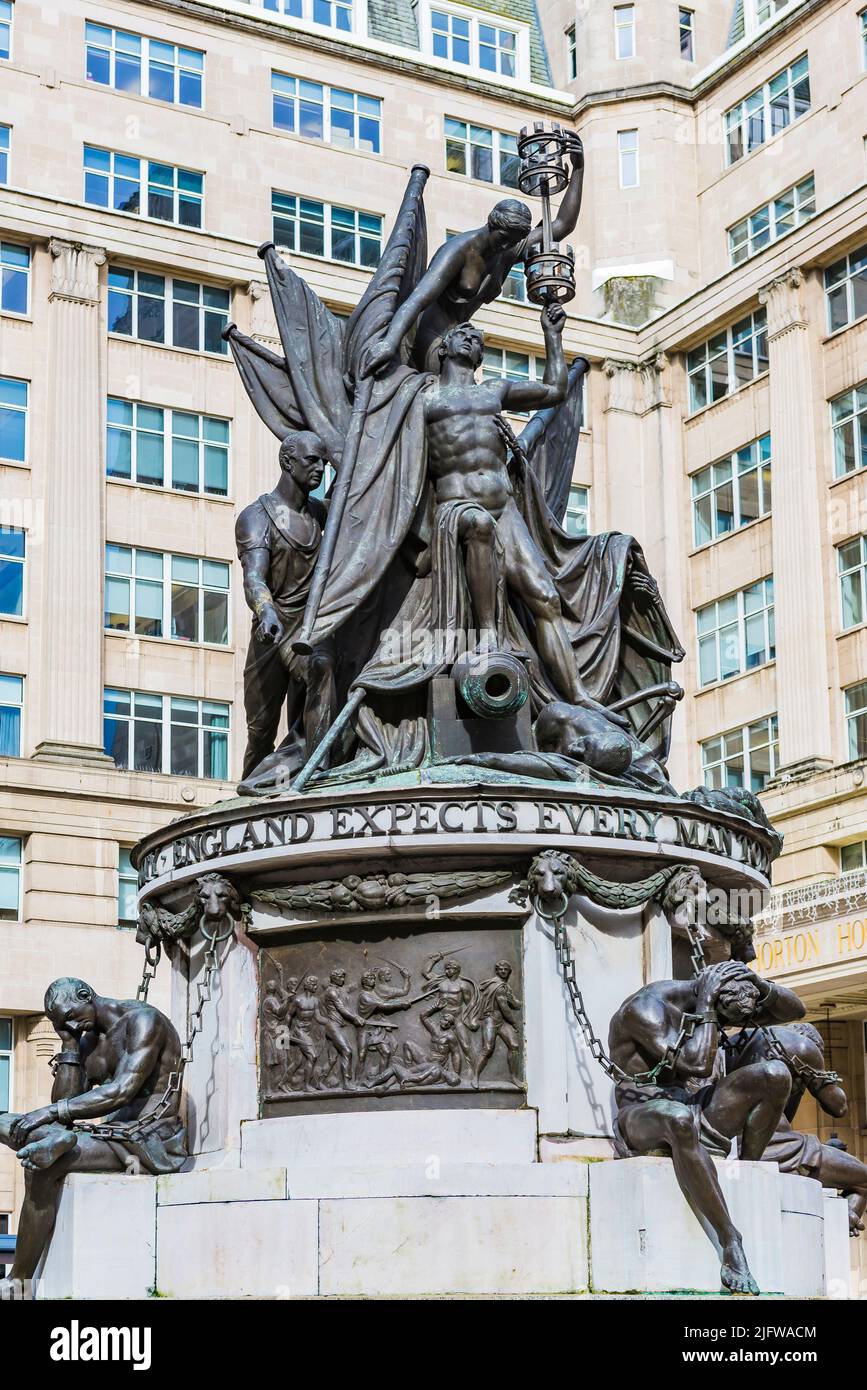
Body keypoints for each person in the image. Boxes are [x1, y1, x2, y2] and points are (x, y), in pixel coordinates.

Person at [420, 307, 625, 722]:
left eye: (478, 337)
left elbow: (554, 391)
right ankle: (489, 636)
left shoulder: (493, 390)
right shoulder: (423, 398)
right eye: (463, 333)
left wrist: (552, 335)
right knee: (477, 526)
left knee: (545, 597)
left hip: (505, 507)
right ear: (442, 348)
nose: (472, 339)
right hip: (455, 508)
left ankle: (578, 696)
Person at [608, 960, 805, 1295]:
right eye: (727, 1021)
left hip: (691, 1103)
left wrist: (758, 983)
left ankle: (748, 1170)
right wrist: (707, 1007)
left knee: (775, 1074)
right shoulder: (646, 1009)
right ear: (712, 998)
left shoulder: (716, 1000)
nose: (728, 1029)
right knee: (678, 1118)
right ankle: (730, 1240)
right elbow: (697, 1065)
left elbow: (796, 1010)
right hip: (641, 1111)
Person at [0, 978, 185, 1297]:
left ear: (86, 995)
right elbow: (66, 1097)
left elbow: (122, 1090)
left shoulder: (143, 1021)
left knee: (42, 1164)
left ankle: (20, 1279)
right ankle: (59, 1143)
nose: (71, 1024)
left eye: (70, 1016)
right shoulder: (87, 1042)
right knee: (8, 1124)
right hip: (107, 1135)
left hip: (149, 1139)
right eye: (62, 1023)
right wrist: (69, 1046)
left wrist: (51, 1115)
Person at [361, 134, 583, 373]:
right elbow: (417, 300)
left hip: (461, 336)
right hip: (430, 336)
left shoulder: (508, 248)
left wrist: (579, 168)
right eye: (503, 238)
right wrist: (388, 344)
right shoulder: (458, 251)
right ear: (491, 225)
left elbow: (561, 225)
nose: (506, 244)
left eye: (513, 241)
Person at [235, 429, 337, 791]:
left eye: (324, 462)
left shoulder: (323, 515)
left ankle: (315, 768)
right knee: (260, 732)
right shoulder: (257, 516)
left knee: (321, 670)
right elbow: (253, 577)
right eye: (312, 461)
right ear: (287, 461)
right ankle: (248, 796)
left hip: (310, 632)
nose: (320, 469)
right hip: (272, 630)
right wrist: (266, 611)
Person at [726, 1021, 867, 1235]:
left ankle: (840, 1216)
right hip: (773, 1145)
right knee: (864, 1180)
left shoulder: (738, 1041)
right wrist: (816, 1074)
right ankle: (841, 1222)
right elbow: (838, 1108)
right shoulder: (800, 1048)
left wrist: (797, 1088)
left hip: (730, 1140)